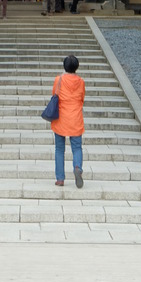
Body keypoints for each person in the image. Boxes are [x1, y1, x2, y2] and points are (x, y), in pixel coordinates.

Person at [48, 54, 85, 188]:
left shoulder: (59, 79)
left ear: (65, 66)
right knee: (76, 147)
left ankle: (60, 179)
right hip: (75, 118)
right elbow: (81, 98)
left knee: (59, 149)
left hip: (61, 118)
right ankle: (77, 167)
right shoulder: (81, 81)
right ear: (76, 67)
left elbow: (54, 95)